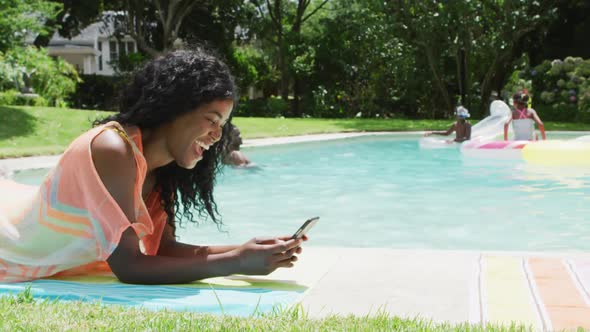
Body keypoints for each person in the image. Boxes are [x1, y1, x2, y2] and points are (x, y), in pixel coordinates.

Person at [0, 48, 305, 284]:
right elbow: (130, 266)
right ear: (174, 109)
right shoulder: (113, 147)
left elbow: (163, 249)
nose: (217, 136)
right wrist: (236, 262)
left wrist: (247, 250)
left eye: (222, 125)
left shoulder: (162, 167)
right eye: (211, 120)